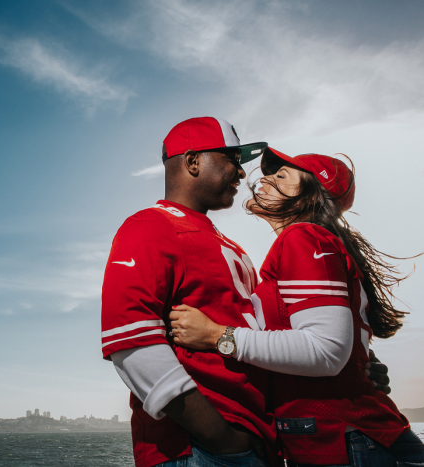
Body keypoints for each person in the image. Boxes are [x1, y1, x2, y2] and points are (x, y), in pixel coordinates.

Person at [167, 148, 424, 466]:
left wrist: (218, 336)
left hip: (350, 442)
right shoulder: (307, 243)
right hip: (341, 444)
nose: (265, 179)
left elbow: (326, 351)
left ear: (310, 196)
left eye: (281, 175)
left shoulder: (304, 239)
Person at [102, 116, 281, 467]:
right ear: (193, 161)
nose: (242, 173)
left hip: (254, 439)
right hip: (198, 450)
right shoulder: (151, 225)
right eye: (232, 159)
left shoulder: (225, 242)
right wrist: (222, 439)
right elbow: (131, 343)